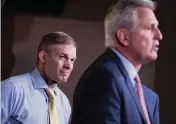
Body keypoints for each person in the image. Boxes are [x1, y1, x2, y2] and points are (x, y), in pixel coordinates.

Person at [71, 0, 162, 124]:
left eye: (157, 27)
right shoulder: (104, 78)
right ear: (124, 37)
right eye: (149, 28)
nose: (159, 35)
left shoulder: (150, 98)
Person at [1, 31, 77, 124]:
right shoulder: (12, 88)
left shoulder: (64, 102)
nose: (68, 66)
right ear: (43, 57)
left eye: (72, 60)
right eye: (62, 57)